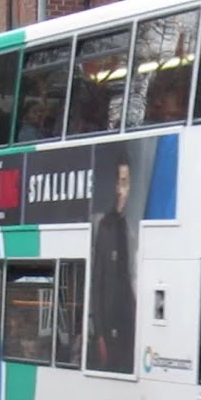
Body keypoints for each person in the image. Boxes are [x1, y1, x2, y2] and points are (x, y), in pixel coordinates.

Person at [88, 152, 136, 373]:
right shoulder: (104, 226)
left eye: (124, 183)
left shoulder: (134, 226)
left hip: (133, 322)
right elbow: (96, 282)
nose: (120, 191)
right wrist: (100, 333)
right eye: (118, 183)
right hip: (111, 328)